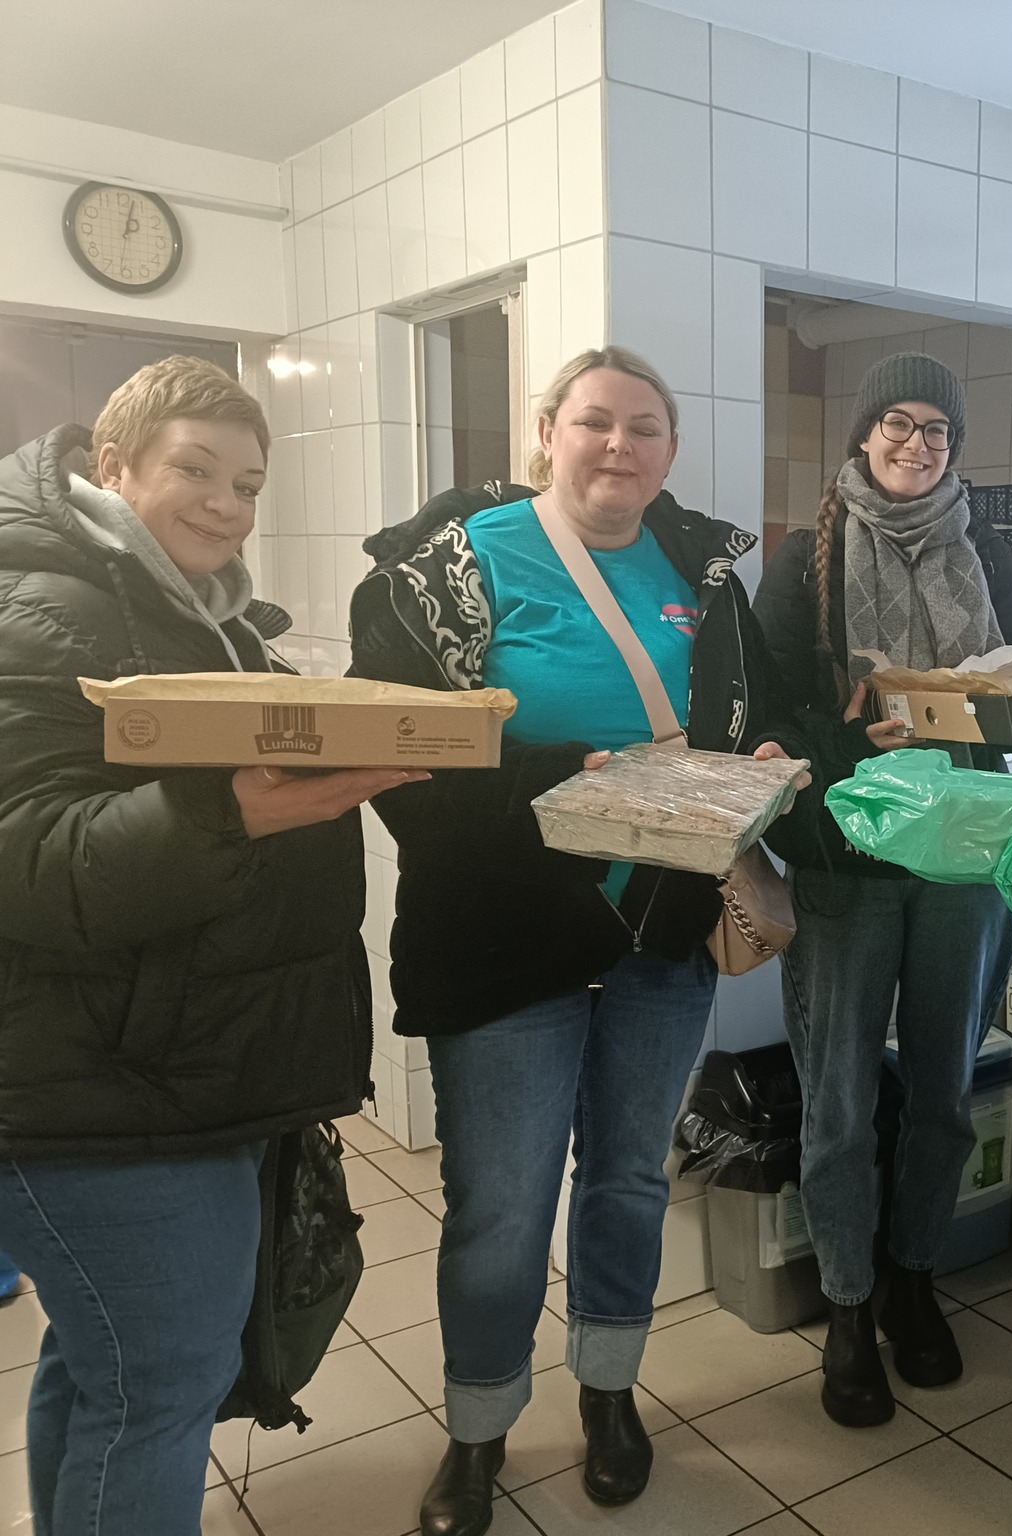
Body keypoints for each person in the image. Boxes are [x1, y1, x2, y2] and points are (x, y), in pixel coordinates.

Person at [348, 347, 796, 1536]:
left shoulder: (703, 574)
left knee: (629, 1181)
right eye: (594, 422)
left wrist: (755, 758)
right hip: (505, 941)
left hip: (661, 932)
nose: (618, 447)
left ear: (670, 450)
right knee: (499, 1205)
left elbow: (748, 711)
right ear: (546, 431)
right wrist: (562, 784)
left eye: (644, 428)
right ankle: (478, 1428)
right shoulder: (441, 574)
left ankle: (608, 1391)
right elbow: (400, 765)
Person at [0, 358, 403, 1535]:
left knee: (105, 1369)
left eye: (249, 485)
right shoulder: (44, 607)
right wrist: (226, 811)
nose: (227, 506)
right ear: (111, 465)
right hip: (101, 1090)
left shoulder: (197, 615)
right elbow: (28, 862)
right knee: (161, 1387)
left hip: (168, 1066)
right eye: (195, 471)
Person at [753, 353, 1012, 1427]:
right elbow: (767, 718)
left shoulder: (988, 552)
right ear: (864, 433)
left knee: (941, 1094)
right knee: (837, 1103)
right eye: (898, 422)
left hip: (963, 857)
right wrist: (850, 740)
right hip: (847, 860)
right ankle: (846, 1307)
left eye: (937, 429)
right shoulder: (804, 561)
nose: (917, 443)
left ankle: (913, 1279)